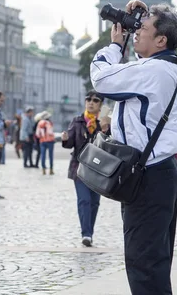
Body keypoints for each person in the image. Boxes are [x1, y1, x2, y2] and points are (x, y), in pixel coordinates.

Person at [90, 0, 177, 294]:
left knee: (144, 263)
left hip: (149, 178)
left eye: (142, 28)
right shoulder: (164, 66)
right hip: (157, 173)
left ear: (161, 40)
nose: (135, 32)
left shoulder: (153, 72)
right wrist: (143, 16)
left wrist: (115, 46)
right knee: (153, 261)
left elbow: (101, 78)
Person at [61, 90, 103, 247]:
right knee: (84, 200)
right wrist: (65, 139)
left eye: (95, 100)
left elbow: (111, 144)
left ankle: (89, 232)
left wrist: (106, 130)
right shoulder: (77, 121)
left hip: (99, 170)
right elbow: (70, 142)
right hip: (79, 167)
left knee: (94, 203)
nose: (91, 102)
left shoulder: (103, 124)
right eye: (88, 99)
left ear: (100, 105)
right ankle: (86, 234)